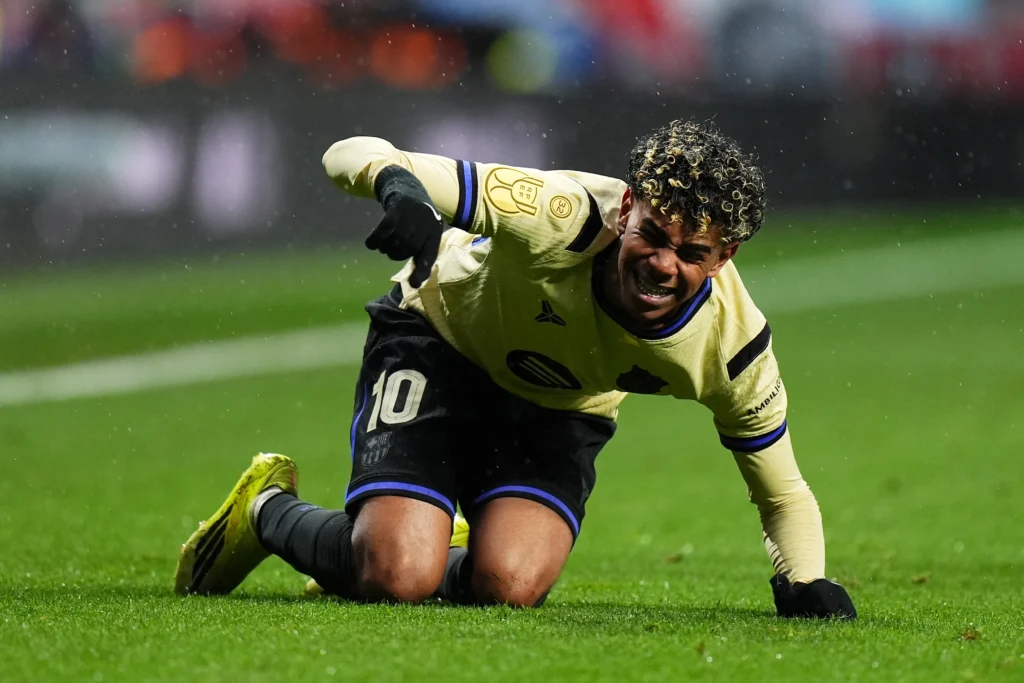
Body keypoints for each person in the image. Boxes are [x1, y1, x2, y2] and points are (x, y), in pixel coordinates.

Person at [174, 119, 856, 619]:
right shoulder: (558, 213)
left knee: (510, 585)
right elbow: (348, 150)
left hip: (561, 406)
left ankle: (382, 542)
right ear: (626, 209)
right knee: (397, 573)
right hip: (439, 339)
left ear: (725, 256)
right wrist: (401, 191)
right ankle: (267, 510)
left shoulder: (731, 348)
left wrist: (805, 581)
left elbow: (783, 493)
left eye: (691, 250)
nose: (662, 262)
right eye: (651, 232)